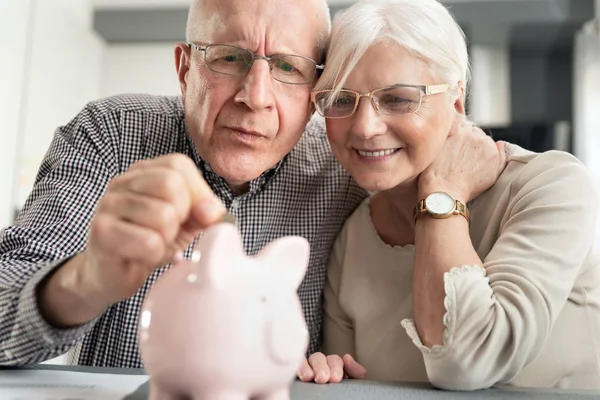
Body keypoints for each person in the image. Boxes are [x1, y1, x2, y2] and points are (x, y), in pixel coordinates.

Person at [0, 0, 372, 368]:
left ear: (314, 95)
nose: (255, 98)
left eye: (289, 66)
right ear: (184, 69)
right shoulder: (108, 135)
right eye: (229, 57)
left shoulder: (343, 172)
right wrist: (87, 279)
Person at [297, 0, 600, 391]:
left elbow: (468, 362)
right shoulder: (353, 238)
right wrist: (333, 375)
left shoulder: (552, 187)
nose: (366, 127)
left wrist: (443, 194)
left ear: (457, 99)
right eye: (340, 99)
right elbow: (357, 386)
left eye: (398, 98)